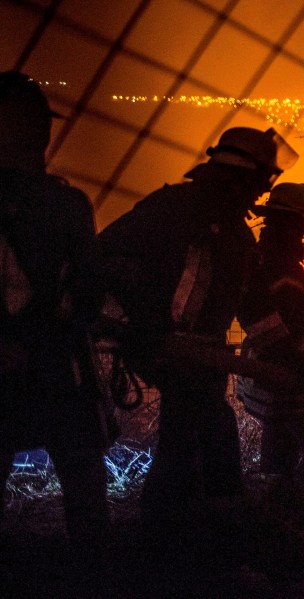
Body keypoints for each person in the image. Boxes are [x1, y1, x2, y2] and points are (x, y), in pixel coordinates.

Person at [87, 125, 298, 559]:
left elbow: (258, 309)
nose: (257, 195)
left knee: (191, 425)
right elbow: (103, 257)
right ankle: (203, 535)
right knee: (207, 422)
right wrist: (140, 320)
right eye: (257, 183)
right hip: (162, 345)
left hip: (199, 353)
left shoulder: (235, 236)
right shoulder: (172, 210)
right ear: (236, 177)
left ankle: (176, 531)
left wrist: (297, 358)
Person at [0, 72, 110, 562]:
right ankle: (94, 573)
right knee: (83, 474)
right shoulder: (67, 204)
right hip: (57, 365)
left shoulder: (62, 204)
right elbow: (89, 290)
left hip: (26, 364)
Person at [235, 182, 304, 512]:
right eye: (302, 222)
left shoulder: (263, 258)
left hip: (263, 373)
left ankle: (276, 509)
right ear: (296, 222)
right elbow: (296, 333)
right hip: (283, 372)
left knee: (279, 433)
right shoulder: (283, 268)